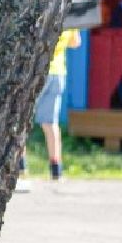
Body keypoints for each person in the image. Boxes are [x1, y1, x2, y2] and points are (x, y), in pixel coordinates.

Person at [33, 28, 80, 181]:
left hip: (39, 72)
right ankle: (56, 169)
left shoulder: (45, 14)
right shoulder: (71, 19)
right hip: (58, 73)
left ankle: (19, 167)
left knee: (21, 120)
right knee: (50, 124)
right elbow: (76, 42)